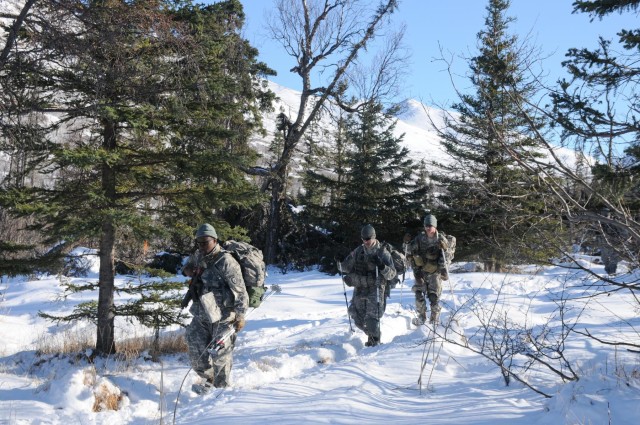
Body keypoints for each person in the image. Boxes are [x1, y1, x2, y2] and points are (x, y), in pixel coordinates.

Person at [182, 223, 248, 394]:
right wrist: (189, 270)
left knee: (221, 356)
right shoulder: (198, 255)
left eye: (206, 242)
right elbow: (186, 267)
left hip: (223, 315)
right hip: (202, 312)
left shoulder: (226, 261)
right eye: (199, 242)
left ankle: (221, 392)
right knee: (194, 344)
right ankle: (208, 379)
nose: (202, 245)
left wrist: (240, 316)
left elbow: (240, 291)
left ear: (215, 240)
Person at [339, 224, 396, 347]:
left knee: (371, 318)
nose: (366, 241)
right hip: (360, 287)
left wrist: (381, 266)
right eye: (363, 239)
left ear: (374, 237)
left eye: (368, 239)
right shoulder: (358, 251)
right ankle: (371, 334)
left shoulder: (383, 253)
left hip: (376, 288)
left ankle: (375, 342)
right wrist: (339, 261)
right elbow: (345, 267)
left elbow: (392, 274)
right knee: (356, 315)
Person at [405, 212, 449, 326]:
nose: (428, 228)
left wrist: (445, 250)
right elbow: (410, 253)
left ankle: (434, 319)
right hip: (421, 271)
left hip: (435, 273)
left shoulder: (441, 239)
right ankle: (421, 317)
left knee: (433, 296)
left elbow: (447, 257)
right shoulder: (420, 238)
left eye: (430, 226)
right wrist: (406, 243)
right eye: (426, 226)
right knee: (419, 293)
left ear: (435, 226)